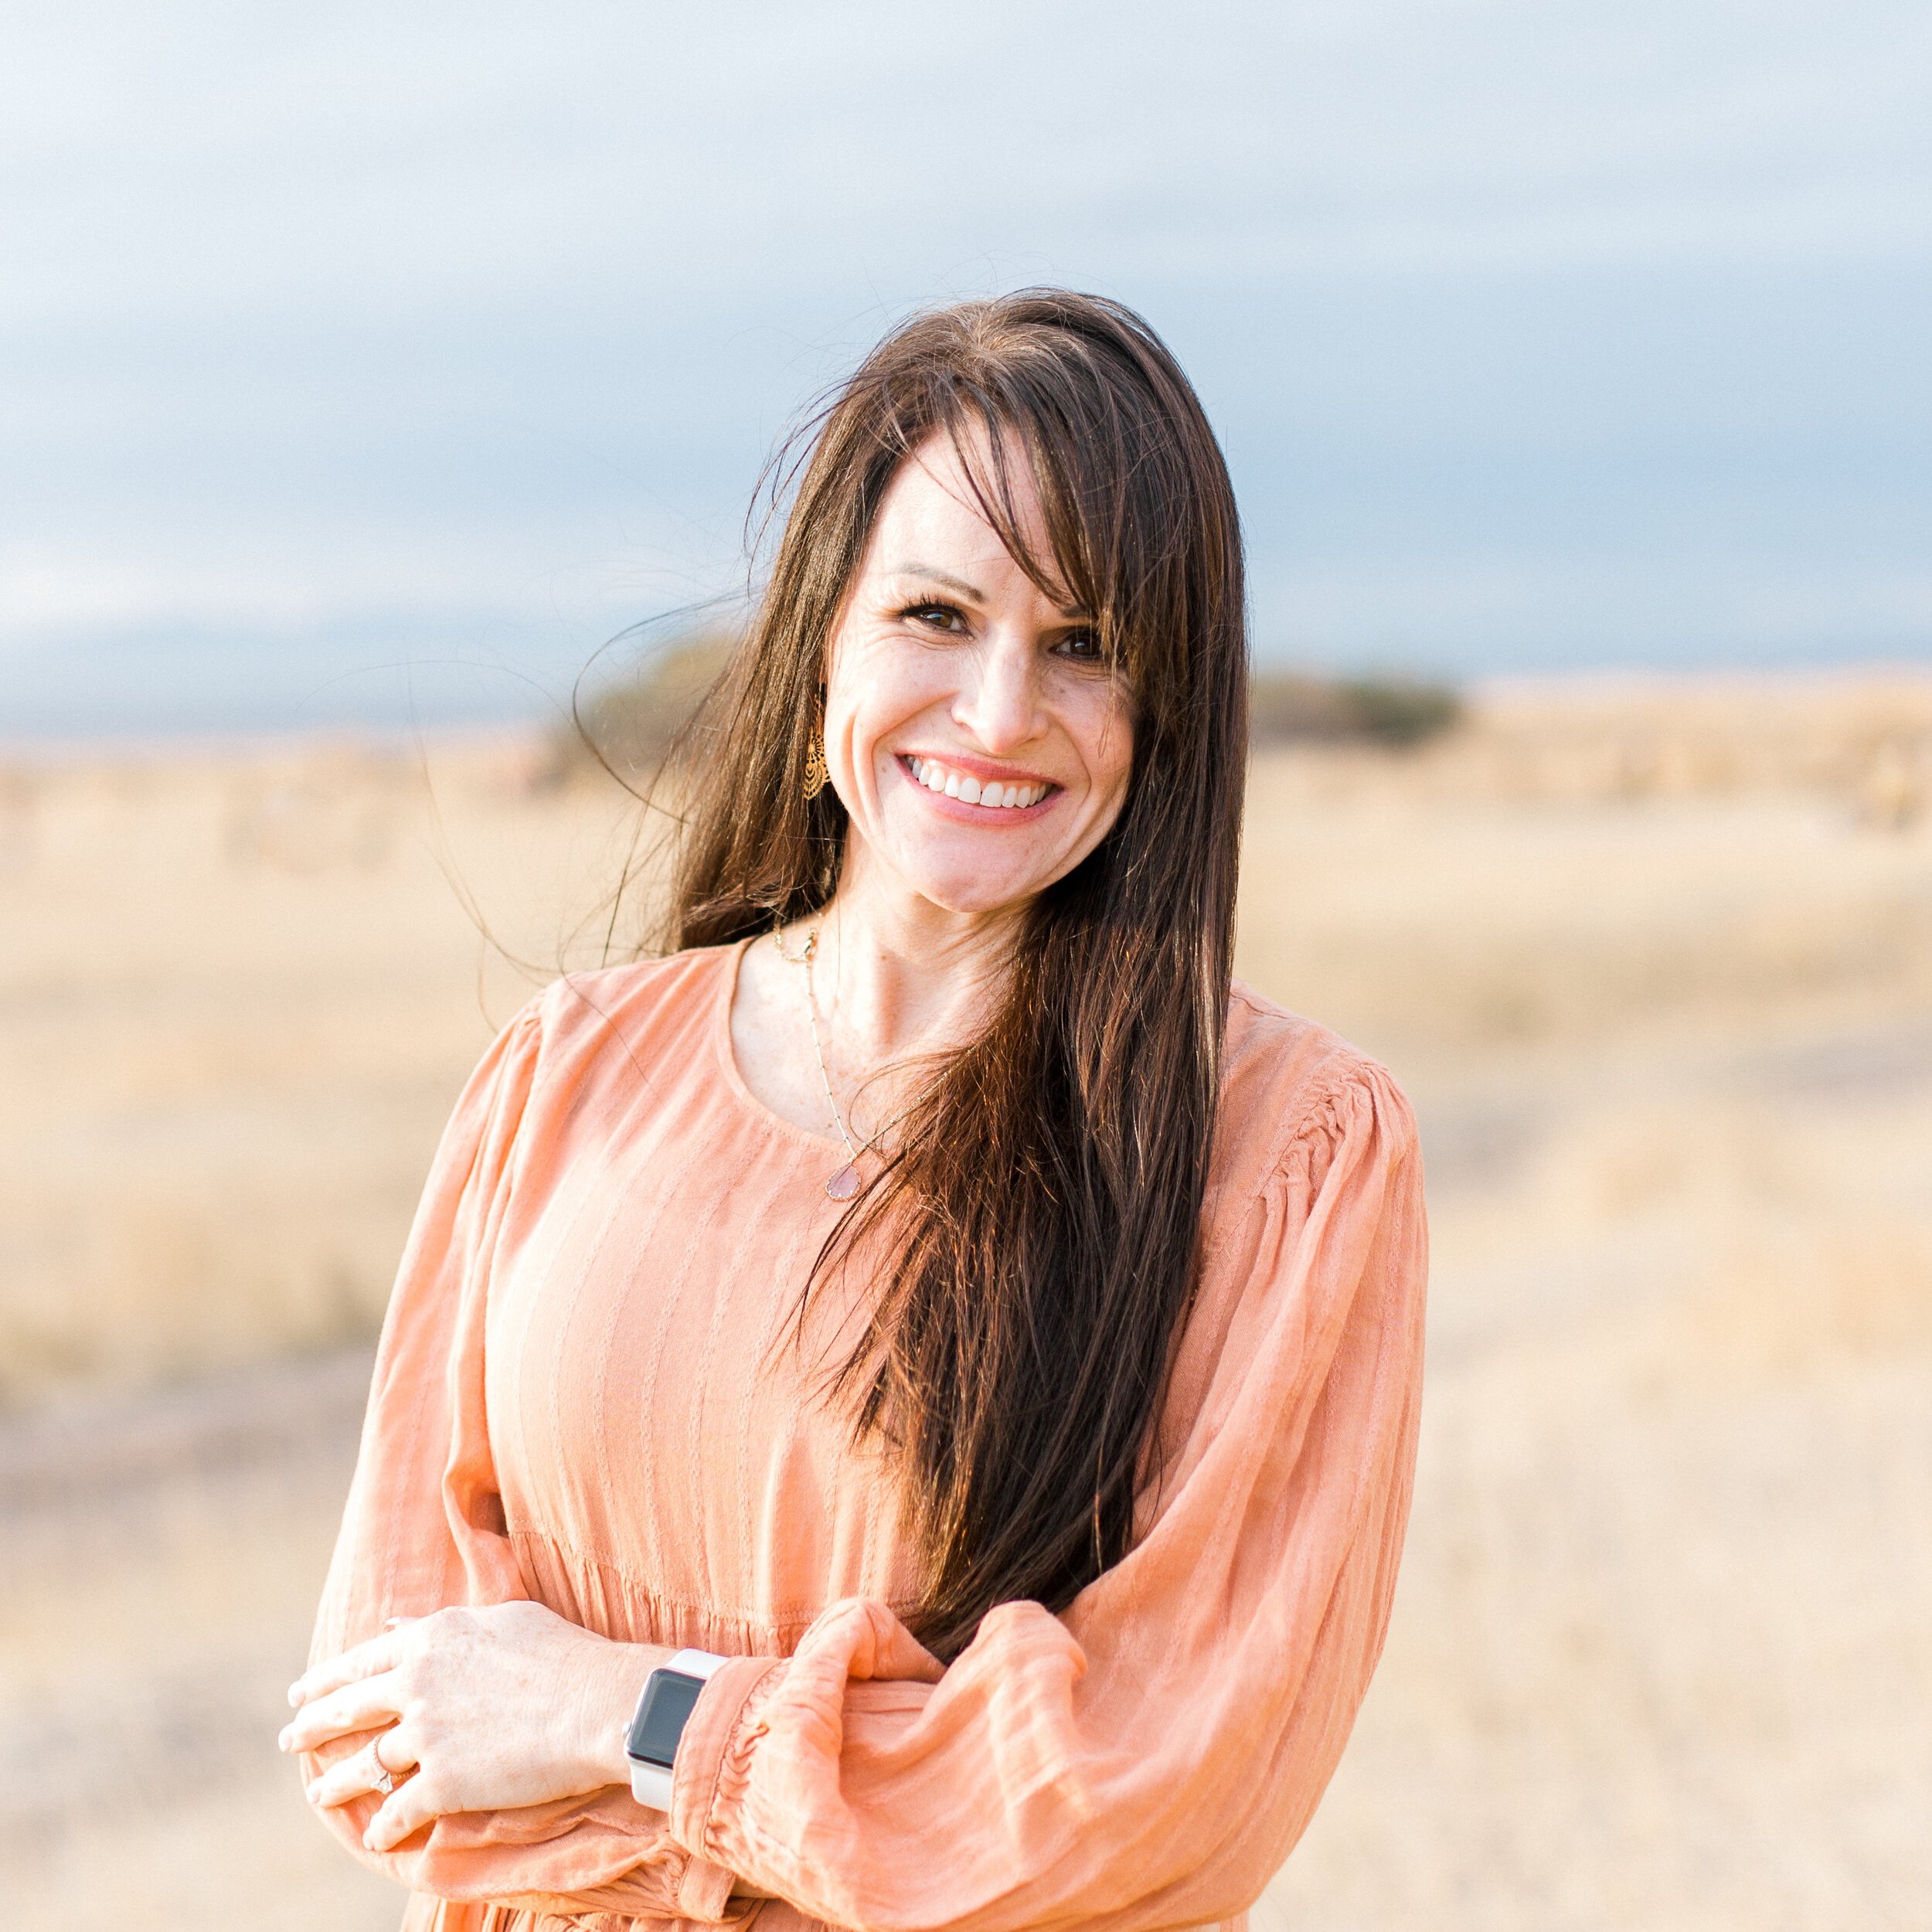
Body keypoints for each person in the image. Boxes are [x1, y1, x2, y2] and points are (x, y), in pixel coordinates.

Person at [278, 289, 1427, 1932]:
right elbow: (389, 1734)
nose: (999, 711)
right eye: (936, 614)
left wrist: (616, 1719)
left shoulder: (1289, 1151)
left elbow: (1147, 1792)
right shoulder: (564, 1072)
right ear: (825, 631)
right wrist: (871, 1810)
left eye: (1085, 644)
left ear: (1165, 706)